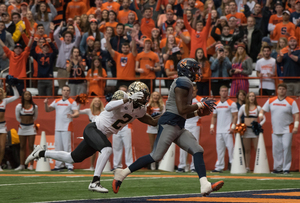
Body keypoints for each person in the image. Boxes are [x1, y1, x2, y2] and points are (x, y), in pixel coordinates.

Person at [112, 58, 224, 196]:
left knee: (198, 150)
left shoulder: (185, 82)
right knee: (156, 156)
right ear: (186, 70)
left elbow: (182, 113)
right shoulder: (183, 81)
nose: (196, 72)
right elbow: (182, 109)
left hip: (178, 124)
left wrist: (197, 112)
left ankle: (205, 185)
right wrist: (200, 105)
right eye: (194, 69)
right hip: (169, 124)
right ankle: (121, 174)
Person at [26, 81, 159, 193]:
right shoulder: (122, 95)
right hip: (94, 128)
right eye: (142, 96)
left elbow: (152, 121)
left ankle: (41, 152)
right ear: (134, 93)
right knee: (107, 149)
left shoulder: (140, 109)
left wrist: (171, 115)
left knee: (72, 158)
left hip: (101, 134)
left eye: (145, 96)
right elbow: (108, 107)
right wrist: (128, 98)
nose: (144, 99)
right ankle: (95, 182)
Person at [259, 83, 299, 174]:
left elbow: (296, 115)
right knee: (276, 150)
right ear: (277, 90)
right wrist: (261, 114)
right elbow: (262, 110)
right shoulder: (271, 100)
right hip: (275, 129)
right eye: (280, 89)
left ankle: (286, 168)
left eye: (283, 89)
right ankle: (278, 168)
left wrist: (296, 126)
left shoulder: (291, 101)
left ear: (286, 90)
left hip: (288, 128)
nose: (281, 90)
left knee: (286, 148)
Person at [43, 85, 79, 171]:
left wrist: (72, 115)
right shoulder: (56, 101)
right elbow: (48, 110)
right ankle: (58, 165)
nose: (66, 92)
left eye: (67, 90)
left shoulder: (72, 102)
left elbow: (77, 113)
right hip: (58, 127)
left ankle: (69, 165)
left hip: (67, 128)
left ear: (69, 92)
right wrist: (45, 104)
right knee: (58, 148)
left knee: (67, 147)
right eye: (64, 90)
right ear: (61, 91)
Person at [210, 86, 237, 173]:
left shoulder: (231, 103)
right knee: (220, 150)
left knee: (231, 149)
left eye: (225, 91)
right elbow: (214, 116)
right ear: (220, 92)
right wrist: (212, 127)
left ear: (228, 92)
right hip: (219, 131)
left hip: (228, 130)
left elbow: (235, 116)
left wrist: (232, 127)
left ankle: (234, 166)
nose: (224, 92)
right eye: (222, 91)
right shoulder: (216, 104)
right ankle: (219, 167)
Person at [237, 92, 265, 172]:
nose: (251, 98)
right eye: (250, 96)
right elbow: (238, 116)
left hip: (255, 131)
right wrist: (239, 126)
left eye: (253, 96)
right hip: (246, 131)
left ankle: (258, 166)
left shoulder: (258, 107)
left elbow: (264, 118)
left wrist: (259, 125)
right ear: (247, 98)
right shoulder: (244, 107)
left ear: (255, 98)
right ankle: (247, 167)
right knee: (247, 150)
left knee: (257, 149)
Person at [177, 84, 201, 173]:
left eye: (194, 90)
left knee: (194, 145)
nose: (192, 92)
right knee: (182, 145)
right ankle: (182, 165)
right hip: (185, 124)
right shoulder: (184, 100)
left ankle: (194, 166)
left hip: (195, 124)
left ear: (196, 90)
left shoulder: (200, 100)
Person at [14, 91, 38, 171]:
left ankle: (31, 165)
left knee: (31, 146)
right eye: (26, 94)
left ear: (31, 96)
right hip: (22, 127)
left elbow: (35, 117)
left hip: (31, 127)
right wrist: (23, 123)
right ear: (23, 96)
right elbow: (17, 118)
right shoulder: (19, 106)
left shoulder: (35, 106)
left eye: (29, 95)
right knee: (22, 146)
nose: (27, 96)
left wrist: (30, 122)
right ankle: (22, 165)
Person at [79, 97, 104, 171]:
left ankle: (101, 167)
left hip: (100, 132)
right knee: (92, 150)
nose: (97, 102)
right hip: (91, 133)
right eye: (95, 101)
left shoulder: (103, 111)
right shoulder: (89, 111)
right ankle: (92, 166)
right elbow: (78, 111)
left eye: (98, 101)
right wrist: (80, 103)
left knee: (102, 149)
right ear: (93, 102)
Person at [112, 85, 133, 170]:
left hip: (126, 125)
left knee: (128, 146)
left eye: (124, 91)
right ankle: (117, 166)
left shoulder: (129, 102)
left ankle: (130, 165)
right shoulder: (114, 102)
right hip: (116, 126)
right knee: (116, 146)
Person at [0, 86, 19, 171]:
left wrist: (13, 87)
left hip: (2, 126)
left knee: (2, 147)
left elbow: (16, 96)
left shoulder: (4, 101)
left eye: (1, 92)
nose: (0, 93)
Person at [146, 91, 165, 170]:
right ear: (151, 97)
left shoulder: (162, 106)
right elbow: (146, 116)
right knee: (152, 145)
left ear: (159, 97)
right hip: (151, 127)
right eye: (154, 95)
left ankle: (161, 163)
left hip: (159, 126)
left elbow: (164, 116)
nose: (155, 97)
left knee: (160, 145)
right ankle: (152, 163)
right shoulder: (148, 105)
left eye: (157, 95)